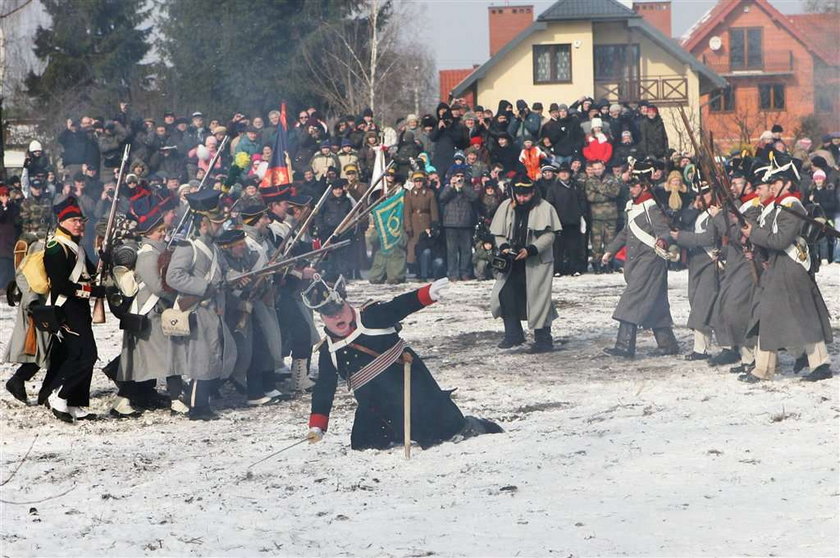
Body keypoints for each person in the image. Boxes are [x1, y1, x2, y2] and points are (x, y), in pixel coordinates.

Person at [302, 275, 502, 450]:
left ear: (346, 303)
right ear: (322, 318)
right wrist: (318, 425)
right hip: (375, 408)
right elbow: (324, 388)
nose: (337, 315)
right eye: (329, 314)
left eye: (339, 309)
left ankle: (474, 425)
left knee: (441, 434)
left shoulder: (371, 316)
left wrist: (427, 294)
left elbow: (399, 306)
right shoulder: (329, 350)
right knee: (363, 444)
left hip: (412, 391)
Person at [739, 158, 833, 382]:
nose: (770, 186)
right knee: (772, 315)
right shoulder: (777, 206)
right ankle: (765, 368)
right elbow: (767, 236)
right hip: (778, 267)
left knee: (802, 315)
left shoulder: (792, 206)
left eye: (775, 182)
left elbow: (781, 240)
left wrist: (753, 233)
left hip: (791, 266)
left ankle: (817, 364)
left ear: (787, 183)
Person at [165, 189, 238, 420]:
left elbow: (224, 271)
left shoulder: (215, 248)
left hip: (214, 308)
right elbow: (173, 277)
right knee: (202, 358)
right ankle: (198, 407)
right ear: (203, 224)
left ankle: (200, 401)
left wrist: (238, 277)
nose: (220, 227)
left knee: (214, 355)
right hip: (197, 308)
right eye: (216, 223)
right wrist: (203, 287)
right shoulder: (189, 247)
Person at [602, 163, 679, 358]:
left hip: (650, 261)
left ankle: (624, 346)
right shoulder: (634, 206)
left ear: (644, 187)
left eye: (635, 185)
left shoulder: (651, 207)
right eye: (631, 185)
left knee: (631, 300)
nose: (631, 188)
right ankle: (667, 344)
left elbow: (664, 232)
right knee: (657, 303)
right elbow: (626, 232)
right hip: (637, 261)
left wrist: (662, 240)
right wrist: (611, 251)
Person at [37, 196, 103, 422]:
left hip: (79, 309)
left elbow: (91, 275)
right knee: (87, 355)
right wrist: (91, 292)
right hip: (66, 309)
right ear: (62, 222)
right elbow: (62, 284)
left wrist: (105, 258)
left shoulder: (77, 246)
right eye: (74, 220)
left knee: (79, 354)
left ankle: (75, 402)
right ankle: (60, 396)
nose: (79, 224)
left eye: (81, 220)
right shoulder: (56, 247)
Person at [489, 176, 562, 353]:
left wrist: (532, 249)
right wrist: (504, 246)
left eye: (526, 195)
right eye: (519, 195)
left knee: (538, 299)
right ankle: (513, 334)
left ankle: (543, 339)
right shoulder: (506, 206)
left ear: (533, 193)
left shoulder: (545, 207)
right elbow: (498, 233)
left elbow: (550, 234)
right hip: (512, 263)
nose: (522, 199)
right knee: (505, 294)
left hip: (536, 262)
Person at [669, 180, 722, 360]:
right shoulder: (699, 212)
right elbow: (685, 221)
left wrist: (682, 237)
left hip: (710, 262)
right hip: (696, 262)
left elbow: (709, 238)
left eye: (705, 194)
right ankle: (703, 347)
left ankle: (703, 349)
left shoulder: (718, 213)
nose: (701, 197)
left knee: (702, 305)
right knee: (696, 302)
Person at [544, 162, 588, 276]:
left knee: (574, 247)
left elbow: (582, 201)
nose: (563, 174)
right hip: (559, 222)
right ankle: (558, 269)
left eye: (566, 172)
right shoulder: (553, 188)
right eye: (561, 172)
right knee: (558, 247)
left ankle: (575, 269)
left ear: (569, 174)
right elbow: (550, 205)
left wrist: (581, 215)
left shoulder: (576, 186)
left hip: (573, 221)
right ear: (558, 174)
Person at [439, 169, 478, 280]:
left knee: (466, 250)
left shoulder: (468, 187)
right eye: (457, 176)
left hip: (466, 223)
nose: (459, 178)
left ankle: (465, 273)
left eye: (461, 176)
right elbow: (442, 198)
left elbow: (474, 197)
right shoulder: (448, 188)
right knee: (452, 251)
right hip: (451, 224)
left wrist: (463, 187)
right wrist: (452, 187)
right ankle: (453, 274)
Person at [583, 160, 621, 272]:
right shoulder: (589, 181)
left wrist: (599, 189)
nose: (597, 171)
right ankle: (597, 265)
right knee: (596, 242)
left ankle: (609, 264)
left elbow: (615, 193)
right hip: (596, 216)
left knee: (610, 242)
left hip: (611, 216)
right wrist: (606, 195)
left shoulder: (611, 178)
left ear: (603, 167)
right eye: (594, 169)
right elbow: (590, 197)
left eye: (599, 168)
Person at [403, 171, 440, 277]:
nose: (418, 183)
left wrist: (434, 225)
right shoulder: (409, 194)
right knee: (413, 248)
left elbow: (434, 211)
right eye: (416, 181)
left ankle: (426, 270)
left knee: (425, 247)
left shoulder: (429, 193)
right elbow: (407, 212)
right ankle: (416, 269)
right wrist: (408, 226)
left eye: (420, 181)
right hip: (414, 224)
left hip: (425, 223)